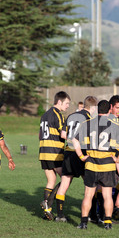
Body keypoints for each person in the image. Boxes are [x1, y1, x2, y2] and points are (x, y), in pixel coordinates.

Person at [73, 100, 119, 230]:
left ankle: (83, 223)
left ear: (98, 109)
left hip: (91, 164)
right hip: (108, 165)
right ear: (109, 109)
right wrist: (118, 158)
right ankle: (107, 222)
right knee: (107, 195)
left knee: (88, 195)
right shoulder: (114, 125)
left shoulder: (87, 123)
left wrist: (81, 156)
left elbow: (74, 140)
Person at [53, 95, 98, 222]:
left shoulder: (71, 116)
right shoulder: (89, 118)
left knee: (64, 183)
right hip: (82, 153)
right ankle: (91, 215)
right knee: (90, 185)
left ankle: (60, 215)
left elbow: (63, 134)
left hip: (68, 152)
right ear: (93, 107)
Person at [39, 91, 70, 220]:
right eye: (67, 103)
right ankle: (48, 203)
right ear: (59, 102)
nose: (68, 106)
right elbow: (63, 134)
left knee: (51, 181)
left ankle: (47, 209)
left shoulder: (44, 115)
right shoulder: (58, 115)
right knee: (66, 178)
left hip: (43, 152)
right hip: (55, 153)